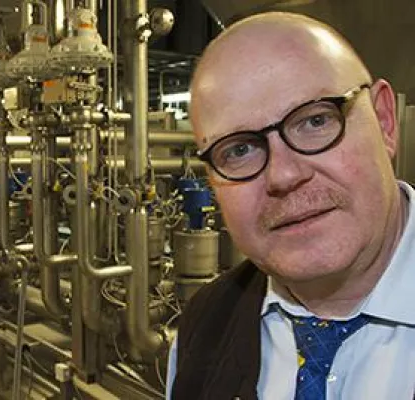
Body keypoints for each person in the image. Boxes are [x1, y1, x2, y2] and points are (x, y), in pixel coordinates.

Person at [166, 11, 415, 400]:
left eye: (315, 121)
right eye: (239, 150)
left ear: (384, 121)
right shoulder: (205, 328)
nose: (283, 175)